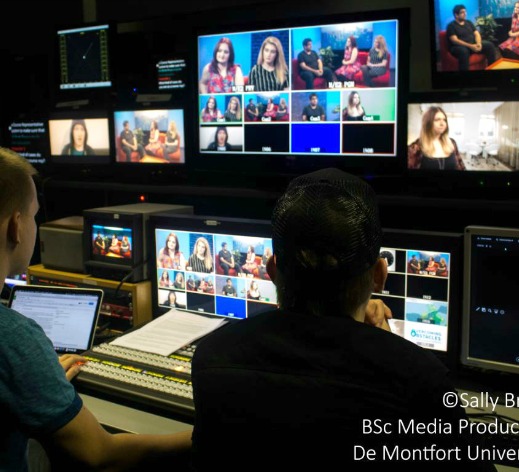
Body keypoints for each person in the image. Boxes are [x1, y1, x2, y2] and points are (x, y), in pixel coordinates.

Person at [191, 167, 493, 472]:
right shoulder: (420, 380)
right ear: (380, 275)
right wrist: (391, 350)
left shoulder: (212, 356)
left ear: (271, 270)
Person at [0, 147, 191, 471]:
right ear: (16, 226)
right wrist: (209, 434)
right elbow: (102, 454)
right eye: (34, 215)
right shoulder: (16, 339)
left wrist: (39, 379)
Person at [407, 106, 466, 170]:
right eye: (437, 120)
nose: (442, 123)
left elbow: (461, 167)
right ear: (428, 123)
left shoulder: (452, 142)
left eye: (444, 120)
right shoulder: (416, 147)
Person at [446, 4, 498, 71]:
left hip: (472, 44)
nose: (465, 14)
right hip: (459, 47)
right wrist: (470, 46)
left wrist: (479, 43)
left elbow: (476, 34)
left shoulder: (469, 22)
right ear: (456, 15)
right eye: (462, 12)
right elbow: (455, 40)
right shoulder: (451, 26)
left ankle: (491, 68)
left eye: (465, 12)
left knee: (490, 45)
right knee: (464, 51)